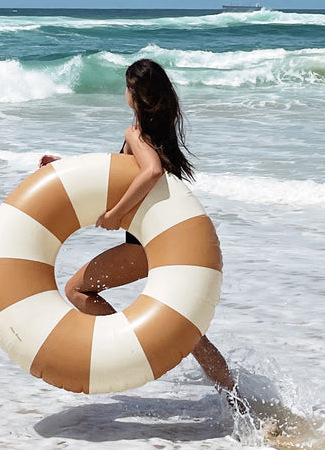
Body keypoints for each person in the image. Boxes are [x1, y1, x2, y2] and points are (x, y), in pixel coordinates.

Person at [39, 57, 249, 414]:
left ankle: (138, 343)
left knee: (77, 289)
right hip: (181, 245)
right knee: (188, 331)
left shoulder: (136, 134)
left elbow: (149, 172)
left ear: (135, 94)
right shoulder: (156, 133)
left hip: (150, 247)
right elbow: (117, 175)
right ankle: (238, 403)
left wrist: (115, 215)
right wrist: (63, 165)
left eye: (126, 88)